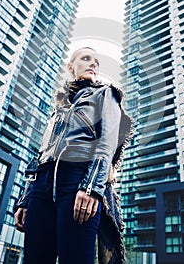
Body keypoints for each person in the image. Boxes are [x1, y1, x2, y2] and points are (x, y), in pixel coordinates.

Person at [14, 47, 134, 264]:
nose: (93, 64)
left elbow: (106, 144)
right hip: (41, 187)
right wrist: (26, 199)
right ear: (71, 67)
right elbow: (42, 154)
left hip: (77, 181)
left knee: (75, 259)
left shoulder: (106, 94)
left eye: (96, 61)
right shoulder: (60, 106)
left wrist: (91, 188)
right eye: (86, 58)